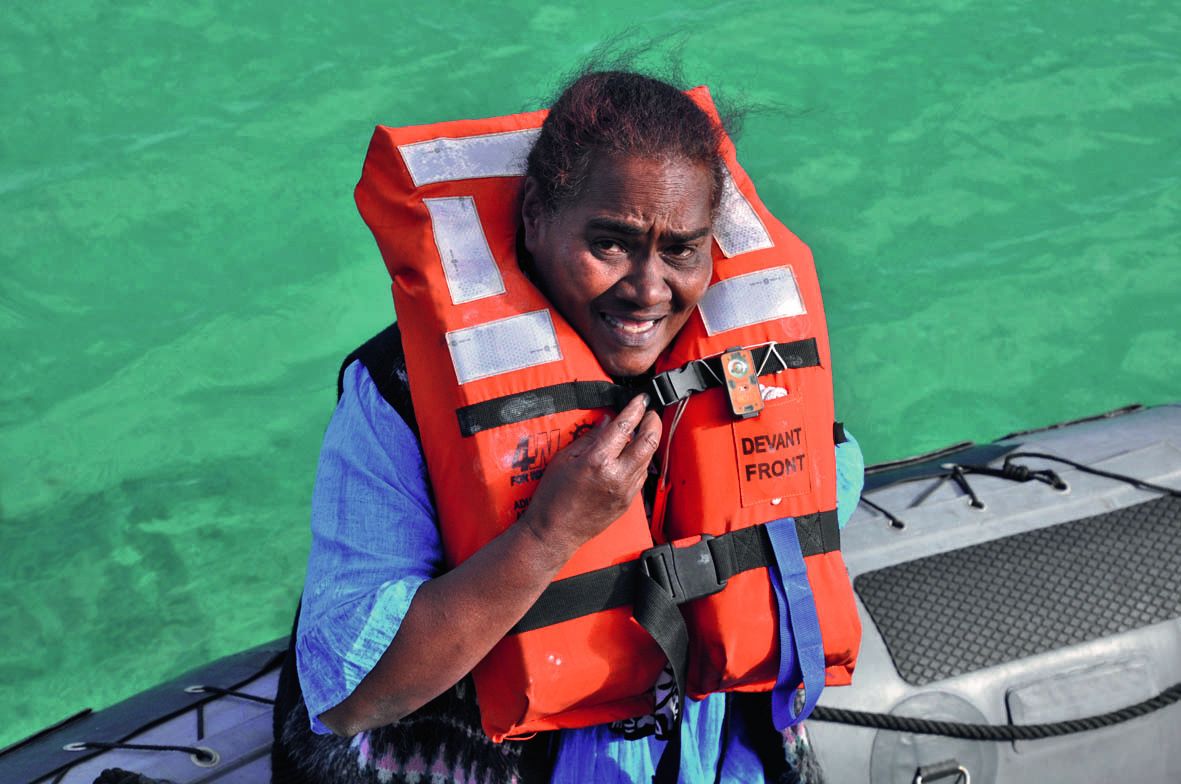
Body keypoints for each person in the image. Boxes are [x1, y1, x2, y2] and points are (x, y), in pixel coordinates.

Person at [272, 70, 863, 784]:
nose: (648, 290)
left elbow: (826, 486)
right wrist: (548, 535)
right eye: (611, 244)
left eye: (681, 249)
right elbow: (350, 694)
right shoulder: (399, 396)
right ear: (534, 219)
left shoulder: (743, 368)